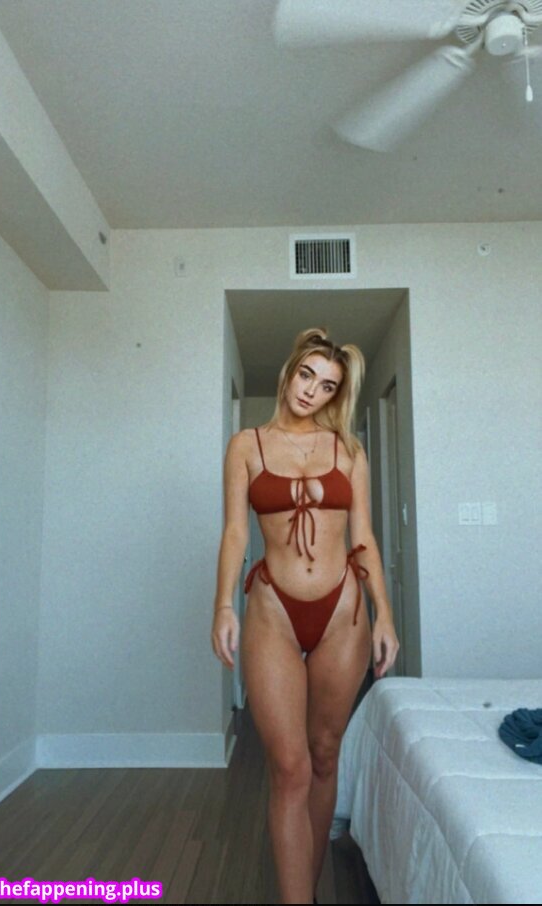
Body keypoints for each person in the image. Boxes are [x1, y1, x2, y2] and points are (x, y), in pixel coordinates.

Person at [211, 327, 399, 905]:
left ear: (336, 395)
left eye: (328, 385)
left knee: (323, 754)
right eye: (306, 375)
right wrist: (223, 605)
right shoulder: (246, 445)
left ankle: (308, 890)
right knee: (289, 765)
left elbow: (363, 536)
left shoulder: (349, 450)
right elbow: (235, 531)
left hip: (343, 610)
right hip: (273, 610)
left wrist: (385, 617)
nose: (312, 391)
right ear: (290, 371)